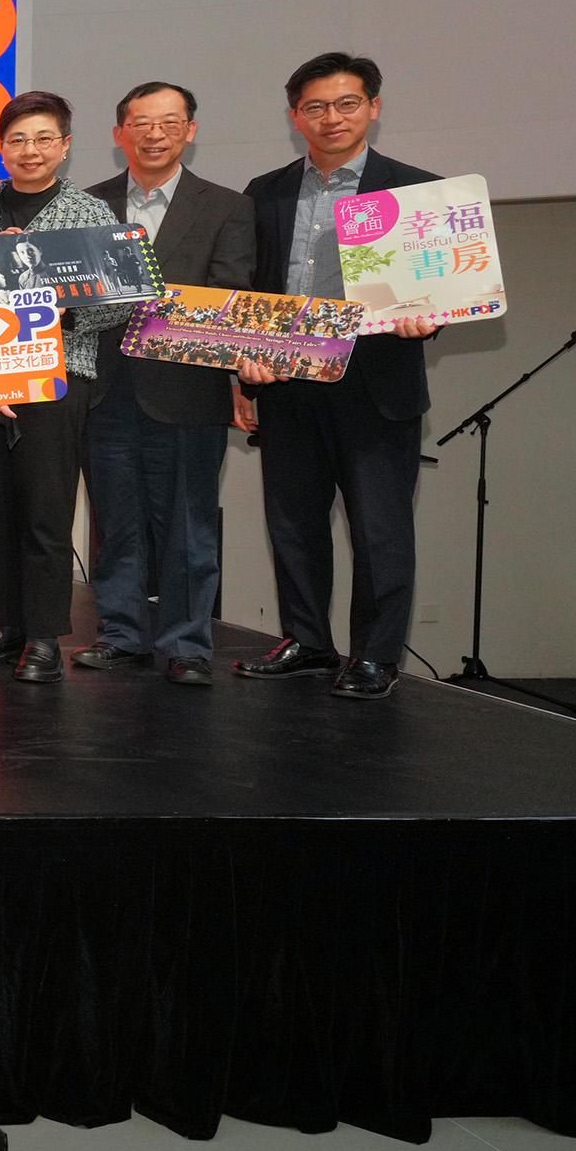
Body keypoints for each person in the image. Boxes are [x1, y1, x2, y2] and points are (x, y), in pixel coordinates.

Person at [234, 52, 446, 700]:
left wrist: (428, 319)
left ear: (373, 108)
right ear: (295, 116)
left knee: (380, 530)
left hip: (376, 386)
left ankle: (376, 655)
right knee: (293, 525)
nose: (333, 117)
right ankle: (307, 641)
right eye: (316, 107)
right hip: (287, 382)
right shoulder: (264, 191)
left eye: (348, 103)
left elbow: (437, 289)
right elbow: (250, 287)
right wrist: (245, 370)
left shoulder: (415, 190)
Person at [0, 91, 136, 684]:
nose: (30, 150)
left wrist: (59, 309)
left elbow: (121, 303)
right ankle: (5, 624)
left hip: (57, 376)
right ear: (0, 146)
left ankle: (43, 636)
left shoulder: (90, 213)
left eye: (43, 139)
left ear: (65, 145)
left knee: (46, 509)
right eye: (17, 140)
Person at [80, 83, 257, 685]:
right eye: (141, 123)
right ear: (119, 134)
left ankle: (187, 644)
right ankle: (121, 634)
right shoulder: (88, 204)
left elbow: (230, 292)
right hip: (105, 390)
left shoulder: (227, 207)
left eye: (169, 123)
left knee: (189, 527)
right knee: (115, 523)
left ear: (190, 131)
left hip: (188, 391)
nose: (154, 134)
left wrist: (154, 305)